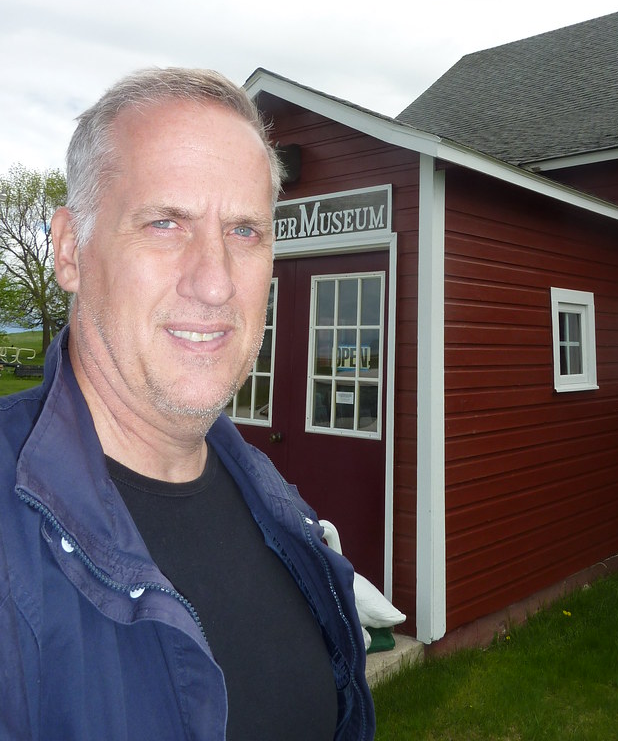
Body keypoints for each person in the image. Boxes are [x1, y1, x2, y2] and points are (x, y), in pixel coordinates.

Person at [0, 68, 375, 741]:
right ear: (68, 250)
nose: (214, 283)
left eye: (243, 232)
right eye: (166, 222)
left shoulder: (278, 506)